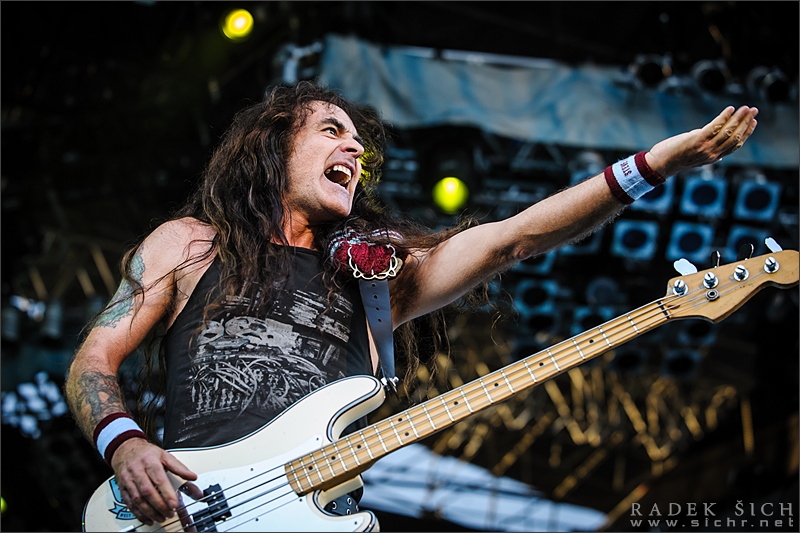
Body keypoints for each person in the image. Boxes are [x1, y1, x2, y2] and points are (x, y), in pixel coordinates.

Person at [65, 81, 758, 527]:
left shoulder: (378, 277)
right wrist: (125, 443)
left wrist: (652, 167)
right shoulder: (190, 244)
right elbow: (94, 357)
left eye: (357, 142)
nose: (354, 146)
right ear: (272, 146)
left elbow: (512, 238)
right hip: (186, 511)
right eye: (331, 130)